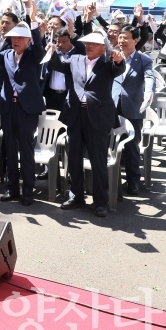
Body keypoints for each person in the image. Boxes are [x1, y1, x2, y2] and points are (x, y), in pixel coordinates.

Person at [47, 31, 125, 217]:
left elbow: (119, 69)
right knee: (73, 158)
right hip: (75, 115)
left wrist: (119, 60)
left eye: (94, 44)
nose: (89, 46)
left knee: (98, 161)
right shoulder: (75, 60)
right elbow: (57, 64)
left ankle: (100, 201)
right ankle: (76, 196)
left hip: (97, 118)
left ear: (103, 47)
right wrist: (51, 52)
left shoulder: (108, 62)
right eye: (87, 43)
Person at [0, 0, 46, 206]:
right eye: (13, 37)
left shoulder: (34, 54)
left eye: (21, 37)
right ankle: (12, 189)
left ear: (28, 40)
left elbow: (39, 45)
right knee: (10, 149)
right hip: (8, 108)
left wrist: (32, 17)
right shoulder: (7, 54)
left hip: (27, 110)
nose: (16, 40)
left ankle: (28, 190)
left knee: (26, 150)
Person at [113, 25, 156, 195]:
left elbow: (149, 77)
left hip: (133, 107)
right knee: (110, 144)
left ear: (136, 40)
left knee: (132, 146)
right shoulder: (113, 56)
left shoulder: (144, 60)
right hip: (112, 106)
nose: (122, 41)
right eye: (120, 37)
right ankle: (110, 178)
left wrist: (148, 93)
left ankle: (133, 181)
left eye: (126, 38)